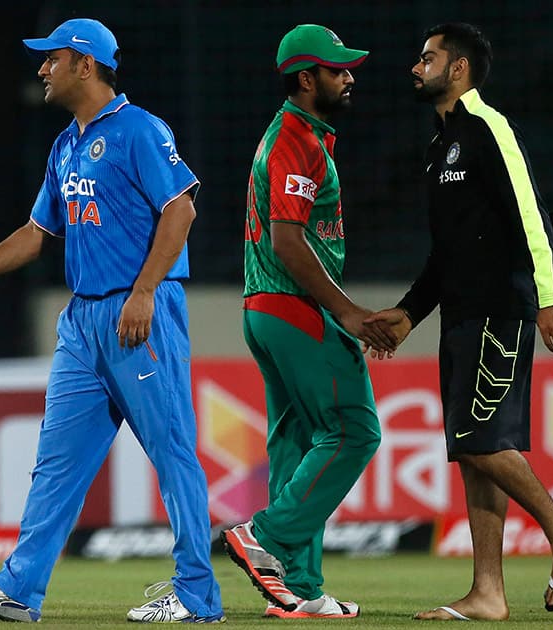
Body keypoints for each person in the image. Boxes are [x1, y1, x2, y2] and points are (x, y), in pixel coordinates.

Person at [0, 17, 224, 624]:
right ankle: (19, 587)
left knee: (173, 455)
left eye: (51, 59)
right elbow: (38, 236)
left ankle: (197, 594)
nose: (41, 69)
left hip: (139, 313)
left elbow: (181, 211)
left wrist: (143, 293)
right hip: (83, 322)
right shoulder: (64, 144)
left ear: (85, 65)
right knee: (56, 464)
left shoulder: (140, 129)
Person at [364, 22, 553, 620]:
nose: (416, 67)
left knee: (478, 439)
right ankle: (488, 593)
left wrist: (548, 297)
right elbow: (448, 251)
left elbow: (530, 213)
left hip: (502, 312)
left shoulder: (489, 128)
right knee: (472, 451)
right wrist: (410, 313)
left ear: (457, 68)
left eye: (427, 58)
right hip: (461, 317)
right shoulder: (440, 147)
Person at [217, 24, 395, 620]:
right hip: (296, 307)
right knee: (354, 430)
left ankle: (300, 588)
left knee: (297, 443)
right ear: (305, 78)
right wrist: (346, 311)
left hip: (266, 309)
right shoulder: (296, 139)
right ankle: (264, 537)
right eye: (338, 69)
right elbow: (288, 240)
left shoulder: (302, 135)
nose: (349, 78)